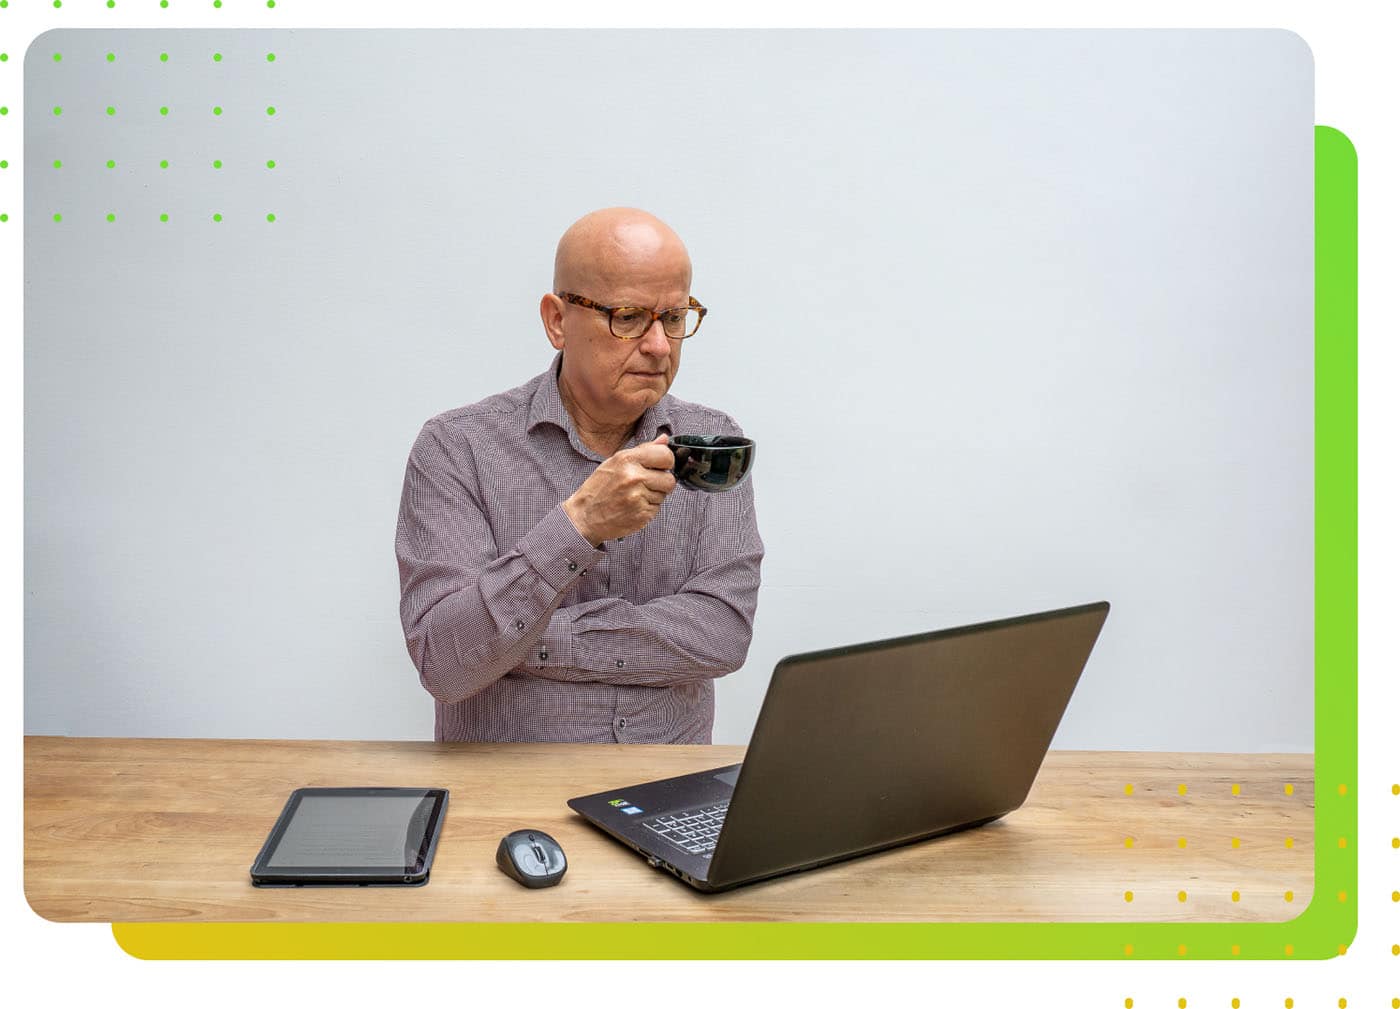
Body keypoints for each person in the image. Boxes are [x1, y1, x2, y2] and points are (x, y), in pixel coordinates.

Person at [394, 208, 764, 743]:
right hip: (507, 796)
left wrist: (528, 643)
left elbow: (723, 634)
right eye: (630, 317)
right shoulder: (459, 449)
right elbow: (448, 663)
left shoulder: (713, 444)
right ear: (557, 320)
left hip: (663, 794)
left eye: (676, 317)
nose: (660, 345)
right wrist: (579, 527)